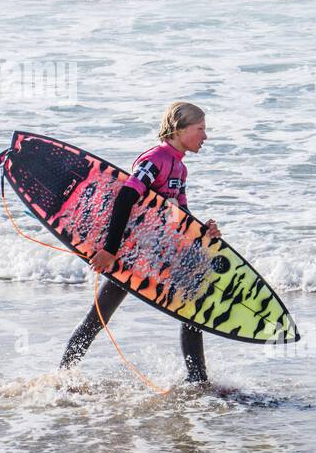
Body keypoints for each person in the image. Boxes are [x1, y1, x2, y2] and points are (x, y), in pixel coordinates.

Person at [59, 102, 221, 385]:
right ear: (180, 130)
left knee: (191, 310)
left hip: (152, 254)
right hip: (129, 253)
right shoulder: (155, 159)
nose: (205, 136)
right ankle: (62, 375)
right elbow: (125, 197)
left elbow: (179, 217)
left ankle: (198, 381)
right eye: (200, 129)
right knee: (100, 316)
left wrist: (203, 230)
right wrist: (109, 250)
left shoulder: (179, 170)